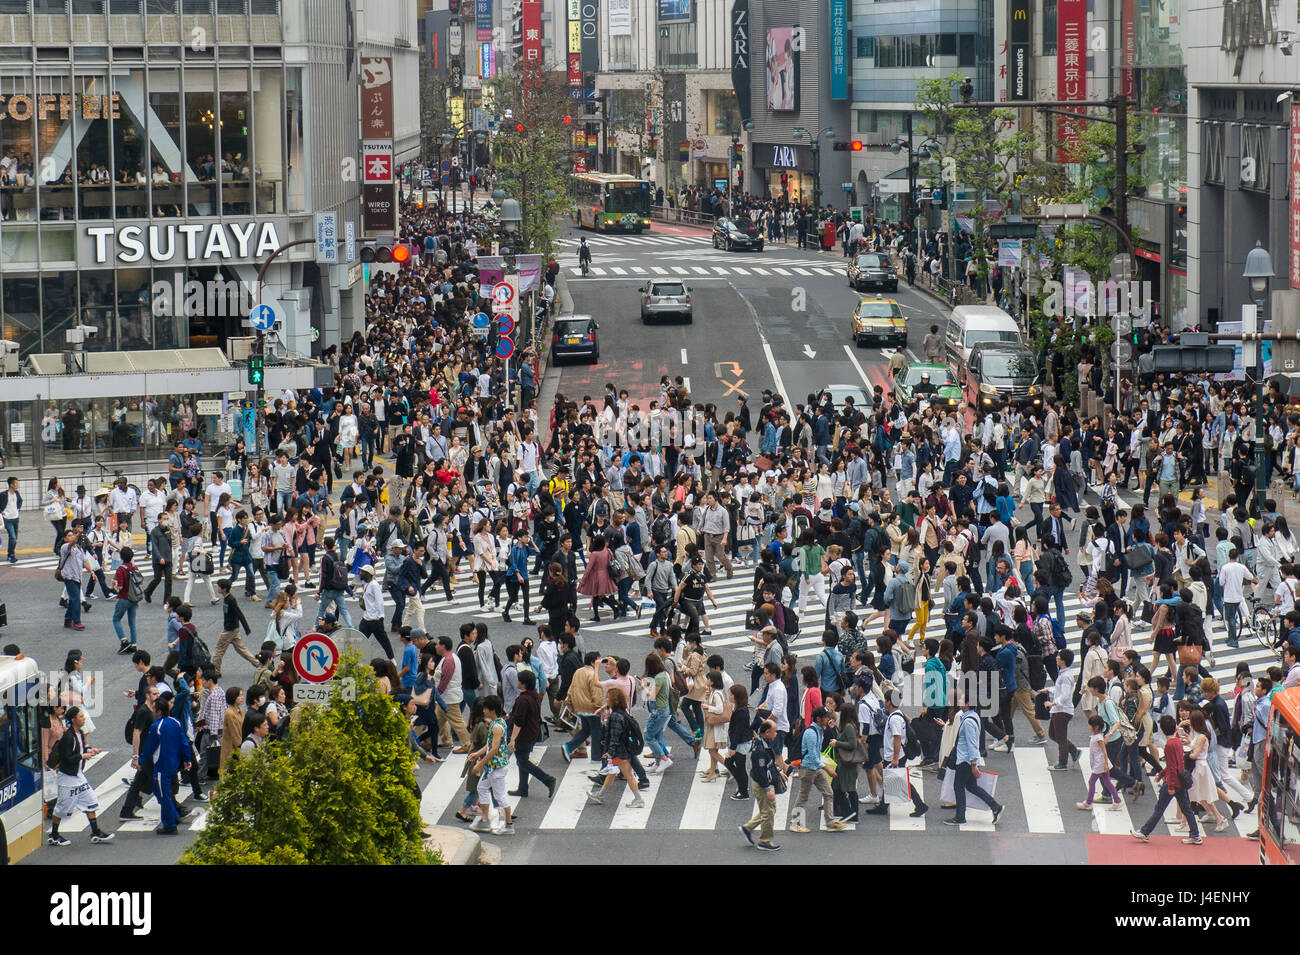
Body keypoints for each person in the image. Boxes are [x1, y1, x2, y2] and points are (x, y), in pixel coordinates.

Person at [46, 706, 115, 846]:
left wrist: (90, 750)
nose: (84, 719)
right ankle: (54, 835)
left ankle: (95, 832)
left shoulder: (80, 733)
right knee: (62, 808)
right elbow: (66, 758)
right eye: (81, 717)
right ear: (73, 720)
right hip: (67, 778)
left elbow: (82, 748)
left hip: (78, 776)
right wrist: (82, 756)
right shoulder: (68, 737)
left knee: (91, 801)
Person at [1131, 715, 1204, 845]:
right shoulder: (1177, 742)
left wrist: (1169, 785)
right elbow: (1176, 764)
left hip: (1173, 781)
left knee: (1159, 809)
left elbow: (1172, 768)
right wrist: (1162, 773)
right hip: (1181, 780)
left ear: (1163, 730)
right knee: (1186, 808)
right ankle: (1195, 834)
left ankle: (1145, 832)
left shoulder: (1169, 745)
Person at [135, 694, 192, 835]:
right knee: (161, 791)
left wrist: (140, 760)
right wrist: (187, 758)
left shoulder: (157, 726)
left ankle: (170, 824)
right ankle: (173, 816)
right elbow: (184, 741)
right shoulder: (176, 722)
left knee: (162, 794)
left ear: (158, 711)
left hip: (162, 765)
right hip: (174, 763)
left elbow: (149, 747)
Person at [944, 694, 1005, 826]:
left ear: (967, 704)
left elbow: (972, 744)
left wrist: (973, 764)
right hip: (966, 759)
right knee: (971, 786)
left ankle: (960, 817)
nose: (959, 702)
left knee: (958, 786)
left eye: (961, 700)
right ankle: (995, 807)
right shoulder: (973, 716)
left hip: (965, 760)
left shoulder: (968, 722)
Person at [586, 687, 647, 808]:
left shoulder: (615, 717)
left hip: (620, 751)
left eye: (608, 698)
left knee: (628, 775)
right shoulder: (621, 714)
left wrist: (610, 752)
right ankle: (600, 795)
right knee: (612, 773)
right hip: (623, 749)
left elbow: (615, 736)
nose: (606, 700)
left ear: (614, 700)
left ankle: (639, 799)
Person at [468, 695, 516, 833]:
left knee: (500, 796)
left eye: (485, 708)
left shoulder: (496, 727)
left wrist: (480, 763)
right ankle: (484, 819)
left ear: (492, 710)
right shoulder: (499, 722)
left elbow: (494, 749)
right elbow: (490, 745)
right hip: (493, 767)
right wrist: (477, 754)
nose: (483, 711)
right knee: (482, 788)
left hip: (497, 767)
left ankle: (508, 825)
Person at [507, 669, 557, 799]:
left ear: (523, 684)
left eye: (518, 680)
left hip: (524, 735)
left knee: (522, 762)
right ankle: (523, 788)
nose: (517, 682)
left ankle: (548, 780)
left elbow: (519, 722)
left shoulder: (523, 700)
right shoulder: (534, 695)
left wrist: (513, 738)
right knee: (522, 760)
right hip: (532, 733)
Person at [738, 719, 785, 851]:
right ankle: (764, 841)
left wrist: (778, 773)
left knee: (769, 810)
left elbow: (769, 764)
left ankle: (748, 828)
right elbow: (760, 771)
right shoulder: (759, 750)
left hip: (765, 782)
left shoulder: (765, 743)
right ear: (767, 732)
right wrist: (767, 788)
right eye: (774, 731)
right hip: (762, 784)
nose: (776, 734)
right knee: (768, 813)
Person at [212, 578, 257, 672]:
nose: (218, 588)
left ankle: (216, 671)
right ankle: (259, 665)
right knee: (242, 650)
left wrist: (246, 628)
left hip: (229, 630)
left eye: (219, 587)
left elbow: (239, 613)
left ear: (224, 589)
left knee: (218, 651)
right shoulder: (226, 598)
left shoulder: (230, 599)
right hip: (234, 629)